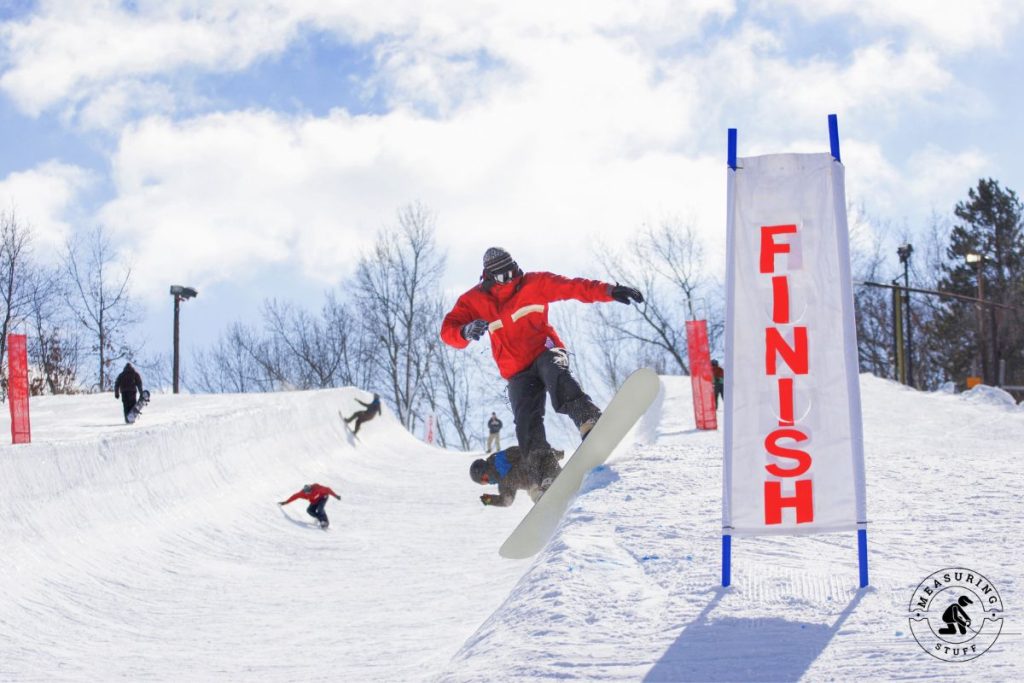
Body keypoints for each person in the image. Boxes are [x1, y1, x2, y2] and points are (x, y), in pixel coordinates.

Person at [441, 247, 643, 470]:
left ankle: (588, 419)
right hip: (517, 371)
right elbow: (448, 330)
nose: (510, 280)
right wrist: (464, 331)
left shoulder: (533, 284)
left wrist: (609, 291)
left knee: (555, 372)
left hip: (545, 352)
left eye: (513, 272)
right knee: (525, 421)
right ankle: (543, 472)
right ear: (489, 277)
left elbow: (573, 286)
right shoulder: (474, 301)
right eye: (503, 277)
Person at [469, 445, 561, 506]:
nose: (489, 482)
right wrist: (488, 499)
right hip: (535, 485)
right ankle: (543, 500)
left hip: (540, 468)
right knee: (533, 491)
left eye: (485, 479)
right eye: (485, 482)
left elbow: (525, 450)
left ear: (484, 471)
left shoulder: (501, 458)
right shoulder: (502, 483)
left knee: (545, 469)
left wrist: (553, 453)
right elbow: (507, 501)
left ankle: (547, 487)